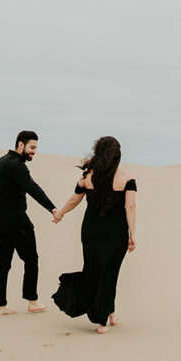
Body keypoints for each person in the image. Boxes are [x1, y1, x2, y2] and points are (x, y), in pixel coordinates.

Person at [51, 136, 137, 334]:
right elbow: (130, 207)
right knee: (110, 273)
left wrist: (61, 213)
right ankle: (101, 321)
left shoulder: (87, 176)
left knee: (95, 271)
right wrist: (133, 233)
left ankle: (110, 312)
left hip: (91, 232)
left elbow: (74, 199)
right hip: (116, 234)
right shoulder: (127, 177)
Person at [0, 130, 62, 316]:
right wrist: (52, 208)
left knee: (3, 263)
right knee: (31, 259)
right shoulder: (17, 165)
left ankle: (0, 306)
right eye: (32, 147)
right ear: (20, 144)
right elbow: (31, 187)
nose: (34, 151)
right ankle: (32, 301)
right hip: (17, 220)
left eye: (35, 148)